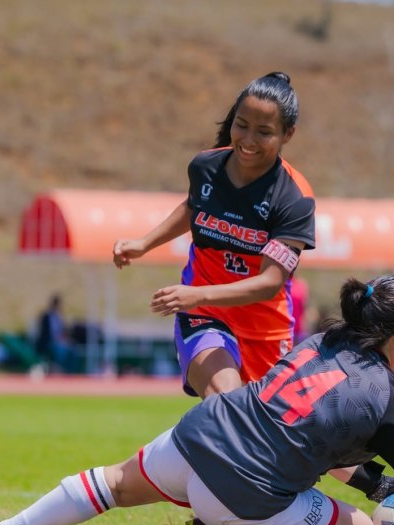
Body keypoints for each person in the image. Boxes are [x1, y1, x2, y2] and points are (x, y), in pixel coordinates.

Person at [0, 275, 394, 525]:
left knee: (113, 483)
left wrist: (371, 482)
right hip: (243, 492)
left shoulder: (322, 341)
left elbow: (310, 436)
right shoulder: (390, 402)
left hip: (199, 433)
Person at [112, 72, 315, 399]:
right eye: (241, 125)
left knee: (257, 428)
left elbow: (270, 283)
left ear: (287, 134)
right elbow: (195, 207)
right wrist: (144, 244)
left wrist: (198, 295)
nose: (248, 140)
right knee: (226, 400)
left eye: (264, 132)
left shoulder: (294, 198)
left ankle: (173, 438)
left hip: (265, 330)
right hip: (204, 316)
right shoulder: (206, 167)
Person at [34, 294, 76, 373]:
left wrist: (65, 337)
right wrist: (56, 339)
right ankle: (58, 369)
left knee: (73, 349)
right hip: (49, 342)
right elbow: (44, 333)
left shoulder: (59, 317)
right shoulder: (46, 316)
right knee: (60, 350)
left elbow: (64, 330)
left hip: (60, 341)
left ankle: (70, 372)